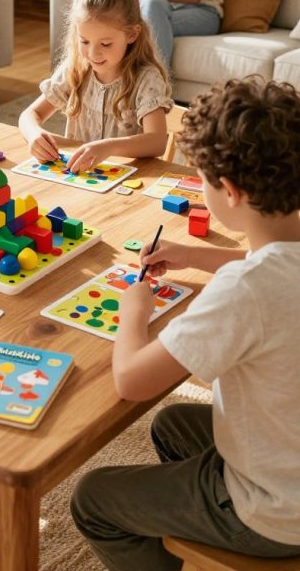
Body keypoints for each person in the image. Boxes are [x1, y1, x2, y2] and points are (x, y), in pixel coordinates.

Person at [71, 77, 300, 571]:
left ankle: (208, 534)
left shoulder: (245, 289)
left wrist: (135, 311)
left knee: (93, 499)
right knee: (173, 424)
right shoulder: (276, 259)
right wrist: (195, 254)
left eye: (202, 179)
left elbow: (132, 380)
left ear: (232, 192)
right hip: (291, 462)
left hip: (277, 512)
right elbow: (273, 263)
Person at [19, 0, 172, 173]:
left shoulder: (146, 79)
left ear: (132, 34)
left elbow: (157, 142)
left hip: (128, 185)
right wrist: (34, 134)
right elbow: (29, 115)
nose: (92, 54)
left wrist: (109, 147)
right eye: (84, 42)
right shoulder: (76, 69)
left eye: (105, 44)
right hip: (80, 180)